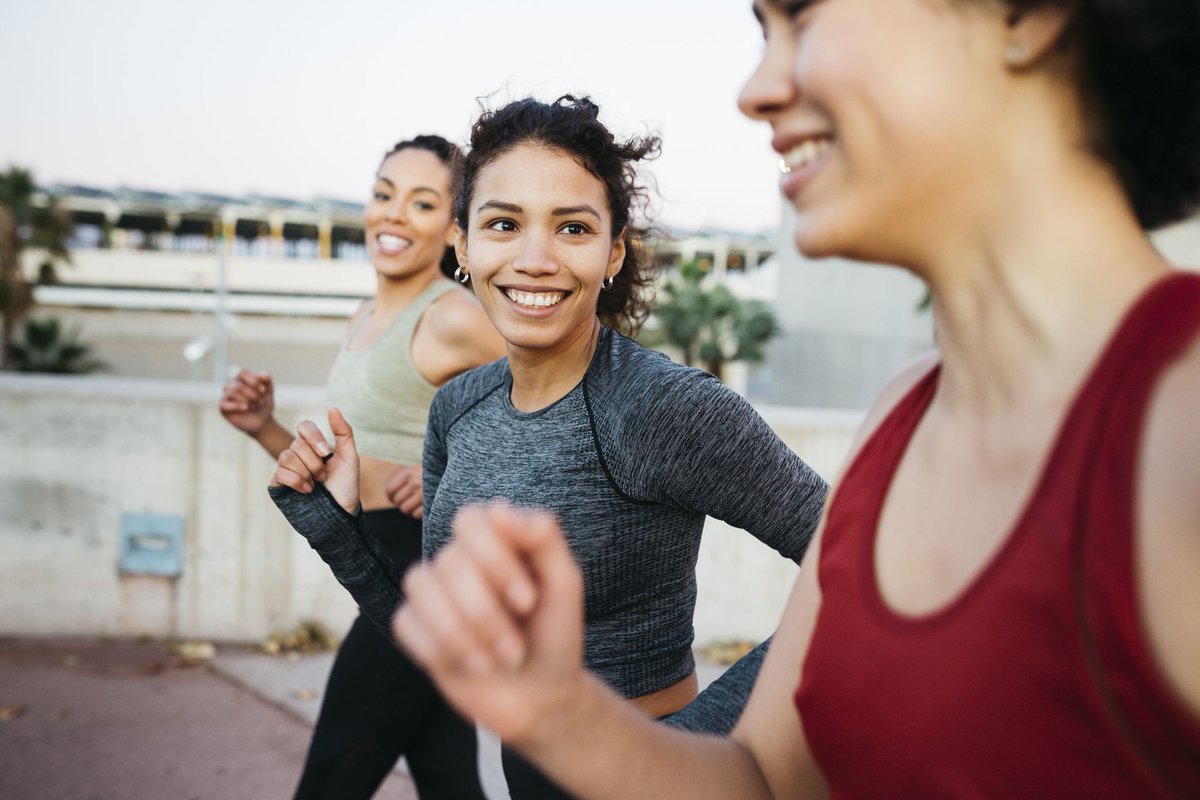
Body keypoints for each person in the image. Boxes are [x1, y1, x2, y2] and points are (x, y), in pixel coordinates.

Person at [387, 1, 1200, 798]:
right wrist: (560, 714)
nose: (756, 89)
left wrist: (675, 721)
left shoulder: (1181, 420)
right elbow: (761, 779)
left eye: (803, 18)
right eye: (762, 30)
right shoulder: (905, 412)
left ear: (1023, 14)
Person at [267, 95, 829, 799]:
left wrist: (704, 742)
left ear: (613, 251)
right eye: (504, 224)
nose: (535, 259)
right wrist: (338, 523)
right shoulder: (458, 408)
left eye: (572, 227)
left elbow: (856, 569)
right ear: (464, 247)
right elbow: (453, 649)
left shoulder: (660, 407)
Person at [219, 134, 505, 799]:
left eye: (423, 202)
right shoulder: (365, 315)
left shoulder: (452, 316)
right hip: (375, 550)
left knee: (330, 779)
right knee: (448, 775)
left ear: (454, 228)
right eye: (384, 195)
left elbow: (554, 398)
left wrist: (457, 479)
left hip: (423, 567)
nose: (395, 215)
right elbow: (348, 465)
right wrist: (264, 426)